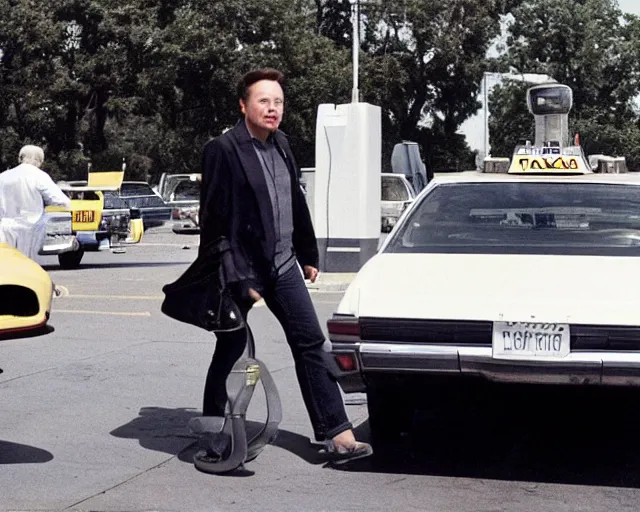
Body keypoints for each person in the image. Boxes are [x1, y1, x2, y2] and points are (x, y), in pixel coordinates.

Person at [197, 68, 372, 464]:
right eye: (263, 101)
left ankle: (337, 434)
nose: (272, 109)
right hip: (240, 268)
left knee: (310, 342)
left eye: (278, 102)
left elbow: (293, 202)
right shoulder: (223, 150)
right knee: (231, 349)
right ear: (244, 105)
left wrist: (308, 254)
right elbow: (214, 222)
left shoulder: (283, 145)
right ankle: (214, 436)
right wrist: (237, 277)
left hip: (282, 264)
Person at [0, 145, 71, 260]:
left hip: (6, 227)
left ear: (20, 158)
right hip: (31, 228)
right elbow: (59, 200)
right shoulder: (39, 176)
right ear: (39, 161)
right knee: (27, 263)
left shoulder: (3, 177)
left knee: (8, 263)